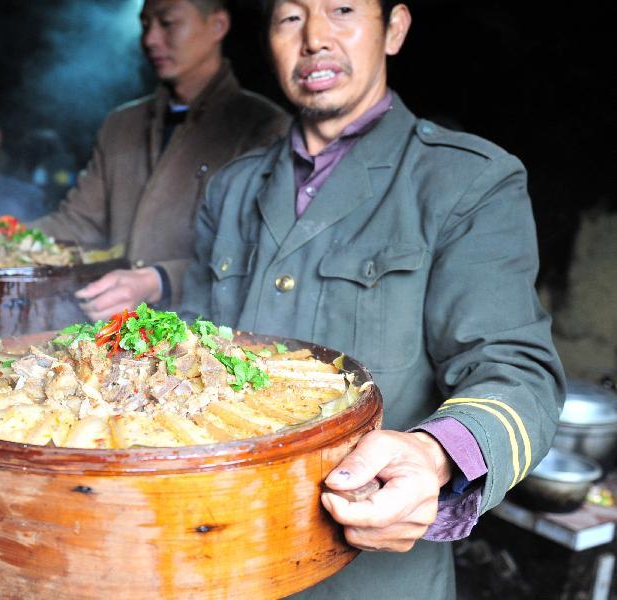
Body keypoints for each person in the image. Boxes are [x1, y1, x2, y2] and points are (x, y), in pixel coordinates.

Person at [178, 0, 565, 597]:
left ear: (396, 29)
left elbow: (517, 372)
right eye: (290, 18)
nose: (315, 39)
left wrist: (435, 455)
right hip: (214, 558)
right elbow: (190, 349)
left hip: (369, 578)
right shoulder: (230, 189)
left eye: (341, 9)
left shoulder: (467, 182)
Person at [30, 0, 291, 321]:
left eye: (167, 23)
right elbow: (78, 222)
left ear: (218, 26)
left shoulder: (263, 126)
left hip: (202, 337)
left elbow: (258, 253)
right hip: (109, 330)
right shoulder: (121, 125)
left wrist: (160, 280)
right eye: (145, 25)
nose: (150, 39)